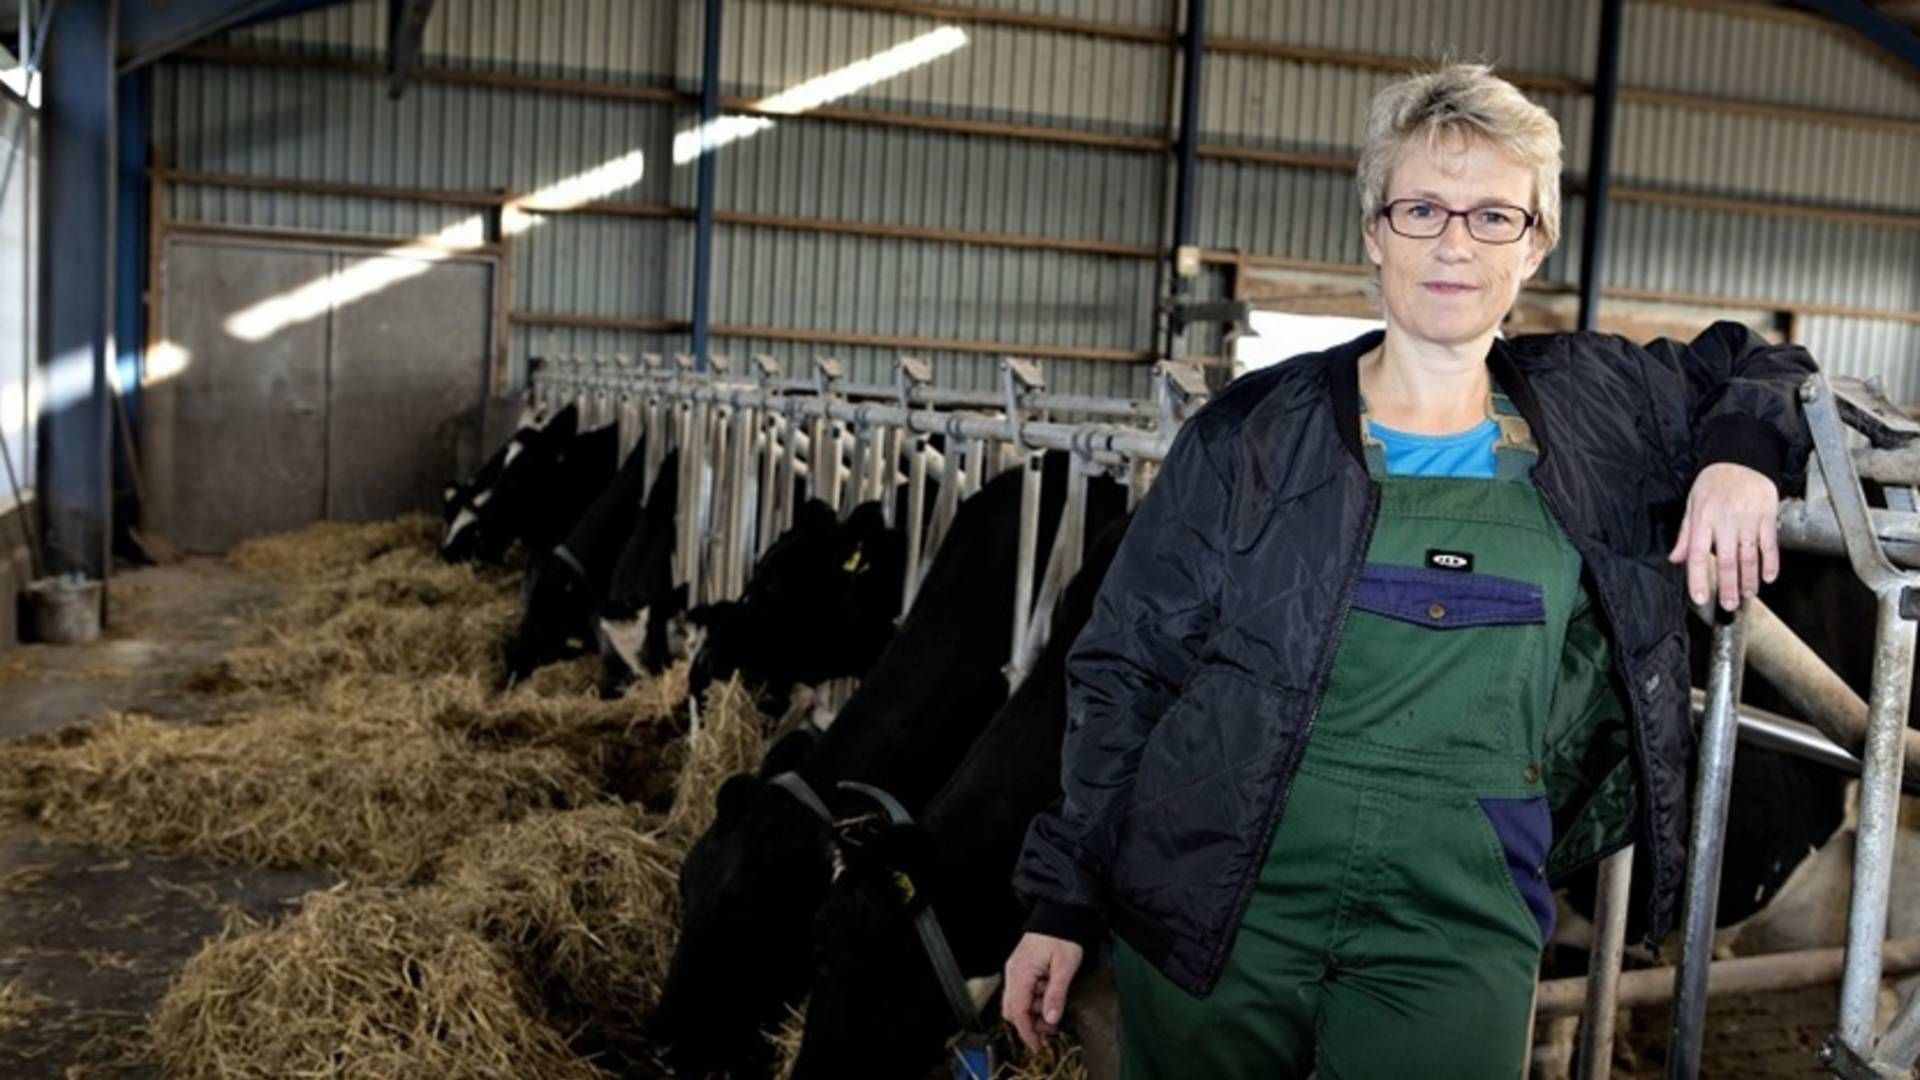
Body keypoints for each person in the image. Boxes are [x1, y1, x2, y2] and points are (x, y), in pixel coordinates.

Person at [1001, 63, 1816, 1078]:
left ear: (1537, 245)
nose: (1455, 245)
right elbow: (1127, 667)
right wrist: (1064, 899)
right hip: (1221, 900)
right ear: (1373, 233)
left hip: (1459, 917)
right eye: (1423, 208)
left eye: (1492, 217)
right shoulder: (1251, 435)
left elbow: (1766, 362)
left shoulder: (1605, 415)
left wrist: (1741, 453)